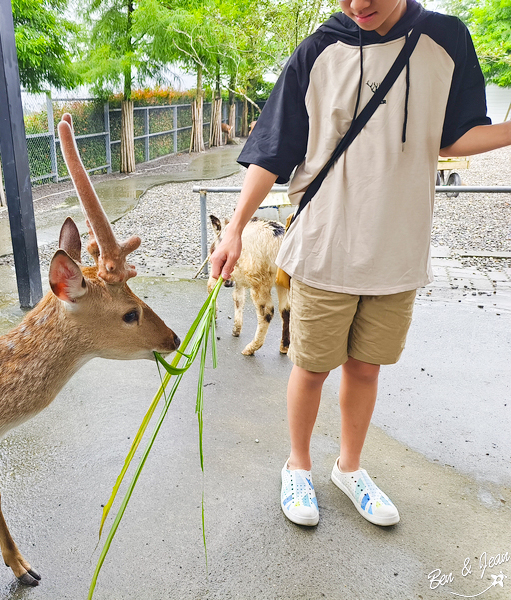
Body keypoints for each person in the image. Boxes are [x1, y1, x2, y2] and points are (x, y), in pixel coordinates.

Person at [210, 0, 511, 527]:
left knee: (366, 368)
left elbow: (457, 135)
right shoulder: (319, 49)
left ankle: (350, 469)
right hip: (327, 243)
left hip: (397, 247)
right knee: (311, 366)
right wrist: (234, 227)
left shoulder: (446, 40)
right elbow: (274, 149)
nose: (358, 5)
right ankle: (298, 466)